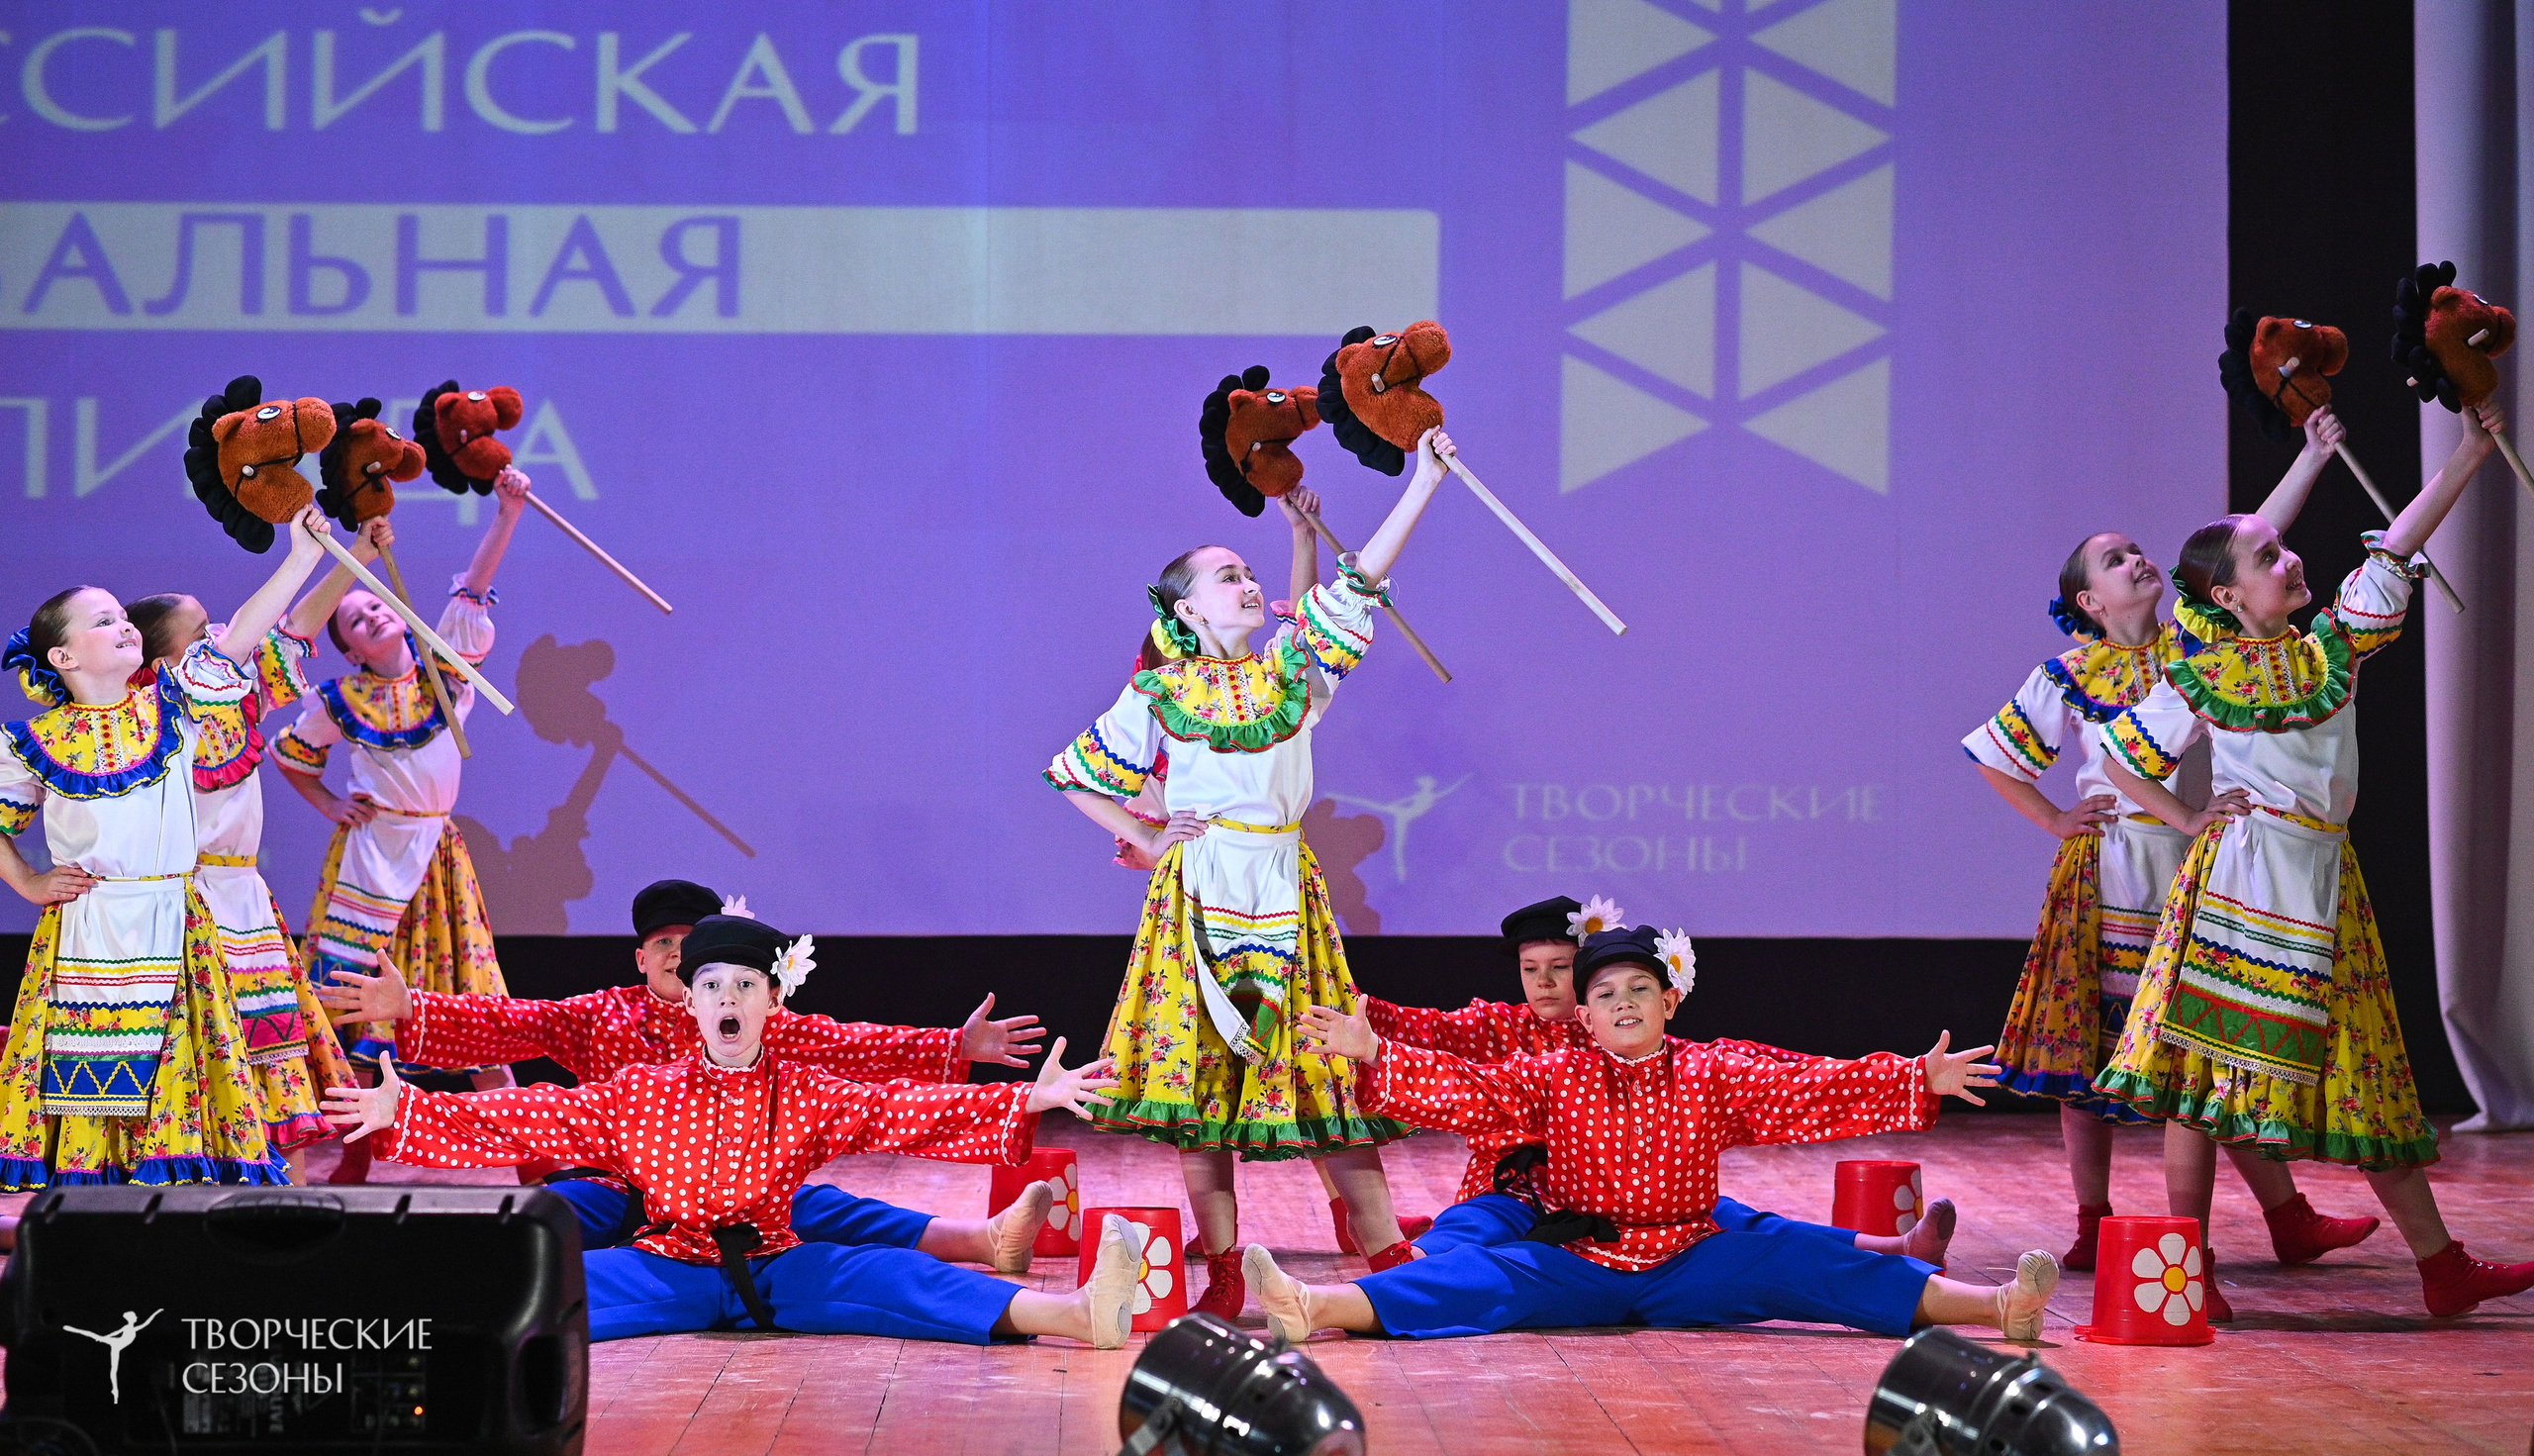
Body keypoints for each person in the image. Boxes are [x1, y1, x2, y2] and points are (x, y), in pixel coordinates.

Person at [2095, 402, 2534, 1318]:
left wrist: (2465, 454)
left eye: (2284, 549)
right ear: (2226, 597)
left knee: (2366, 1066)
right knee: (2194, 1081)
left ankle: (2440, 1265)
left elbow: (2394, 548)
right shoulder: (2202, 671)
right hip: (2236, 887)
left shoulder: (2332, 645)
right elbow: (2121, 762)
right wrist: (2188, 812)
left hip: (2326, 888)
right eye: (2269, 560)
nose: (2290, 558)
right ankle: (2189, 1267)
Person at [1966, 409, 2376, 1302]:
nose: (2138, 561)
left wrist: (2309, 456)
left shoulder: (2201, 646)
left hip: (2202, 865)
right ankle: (2093, 1221)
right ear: (2089, 601)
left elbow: (2244, 544)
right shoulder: (2068, 673)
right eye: (2116, 560)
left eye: (2139, 550)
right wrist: (2052, 820)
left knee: (2204, 1050)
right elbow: (2001, 758)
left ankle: (2283, 1216)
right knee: (2092, 1050)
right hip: (2113, 867)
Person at [1045, 430, 1451, 1315]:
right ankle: (1223, 1270)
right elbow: (1076, 773)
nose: (1246, 580)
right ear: (1186, 611)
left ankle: (1389, 1259)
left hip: (1282, 883)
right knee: (1201, 1087)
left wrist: (1422, 482)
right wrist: (1149, 840)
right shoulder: (1161, 692)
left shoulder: (1289, 673)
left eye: (1247, 570)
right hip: (1196, 889)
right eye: (1225, 574)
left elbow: (1356, 588)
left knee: (1321, 1068)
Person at [323, 913, 1141, 1346]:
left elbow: (898, 1108)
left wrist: (1022, 1101)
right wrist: (413, 1110)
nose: (724, 998)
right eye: (710, 983)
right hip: (665, 1260)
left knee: (896, 1279)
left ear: (768, 1002)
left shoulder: (804, 1088)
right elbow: (531, 1110)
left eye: (743, 984)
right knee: (531, 1286)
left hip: (777, 1262)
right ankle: (358, 1319)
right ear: (689, 994)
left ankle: (1075, 1313)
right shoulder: (639, 1089)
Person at [1260, 926, 2058, 1342]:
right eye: (1606, 994)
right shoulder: (1555, 1074)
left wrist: (1915, 1076)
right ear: (1587, 1014)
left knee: (1802, 1261)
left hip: (1689, 1257)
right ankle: (1312, 1304)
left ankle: (2000, 1308)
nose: (1625, 1003)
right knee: (1475, 1278)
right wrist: (1374, 1053)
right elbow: (1471, 1091)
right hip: (1580, 1260)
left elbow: (1807, 1088)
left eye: (1641, 988)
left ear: (1669, 1002)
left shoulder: (1709, 1071)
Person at [317, 877, 1056, 1267]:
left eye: (688, 942)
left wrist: (952, 1049)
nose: (674, 954)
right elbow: (509, 1023)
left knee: (822, 1206)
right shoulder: (597, 1016)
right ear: (641, 956)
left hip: (730, 1194)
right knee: (538, 1224)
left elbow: (852, 1047)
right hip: (611, 1186)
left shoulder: (752, 1013)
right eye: (661, 943)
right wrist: (409, 1005)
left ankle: (985, 1239)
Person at [0, 509, 337, 1190]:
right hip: (89, 931)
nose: (121, 623)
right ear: (62, 658)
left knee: (178, 1081)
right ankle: (99, 1244)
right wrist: (30, 883)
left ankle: (184, 1238)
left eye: (122, 616)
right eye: (100, 621)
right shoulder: (31, 741)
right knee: (94, 1083)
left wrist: (302, 557)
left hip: (176, 923)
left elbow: (240, 639)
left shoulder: (171, 706)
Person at [1338, 897, 1955, 1268]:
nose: (1545, 983)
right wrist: (1343, 1006)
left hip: (1634, 1198)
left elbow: (1777, 1074)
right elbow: (1409, 1028)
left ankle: (1890, 1249)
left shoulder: (1630, 1033)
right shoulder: (1496, 1029)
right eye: (1532, 970)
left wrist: (1909, 1076)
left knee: (1744, 1225)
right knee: (1471, 1232)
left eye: (1561, 969)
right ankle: (1399, 1273)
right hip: (1517, 1190)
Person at [119, 518, 395, 1184]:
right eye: (202, 630)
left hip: (244, 901)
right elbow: (262, 629)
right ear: (164, 663)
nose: (218, 635)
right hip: (188, 907)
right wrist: (302, 555)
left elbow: (294, 629)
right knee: (202, 1055)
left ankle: (293, 1209)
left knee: (274, 1049)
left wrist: (354, 555)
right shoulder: (161, 711)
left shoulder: (231, 697)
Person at [277, 465, 531, 1183]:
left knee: (474, 1004)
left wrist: (506, 515)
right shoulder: (340, 697)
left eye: (376, 607)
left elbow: (471, 590)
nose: (375, 617)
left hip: (434, 857)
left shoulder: (440, 667)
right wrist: (329, 804)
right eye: (357, 619)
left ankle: (527, 1157)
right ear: (351, 648)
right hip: (368, 861)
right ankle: (351, 1156)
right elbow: (292, 757)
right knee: (358, 1010)